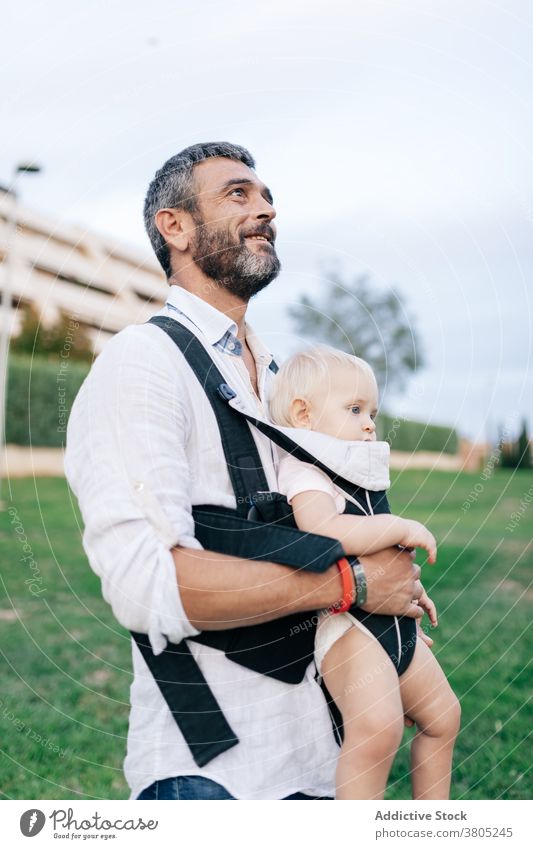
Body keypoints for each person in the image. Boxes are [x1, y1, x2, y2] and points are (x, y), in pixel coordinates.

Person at [65, 141, 426, 800]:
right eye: (238, 194)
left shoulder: (287, 379)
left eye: (266, 198)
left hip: (320, 764)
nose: (265, 209)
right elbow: (149, 584)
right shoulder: (141, 363)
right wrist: (352, 581)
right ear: (172, 226)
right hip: (211, 778)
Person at [269, 344, 461, 799]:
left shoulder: (353, 470)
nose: (370, 422)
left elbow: (380, 553)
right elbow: (320, 527)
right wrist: (396, 526)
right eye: (355, 409)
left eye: (372, 410)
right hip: (348, 626)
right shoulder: (306, 470)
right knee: (379, 730)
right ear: (303, 414)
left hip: (394, 619)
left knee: (443, 716)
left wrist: (410, 589)